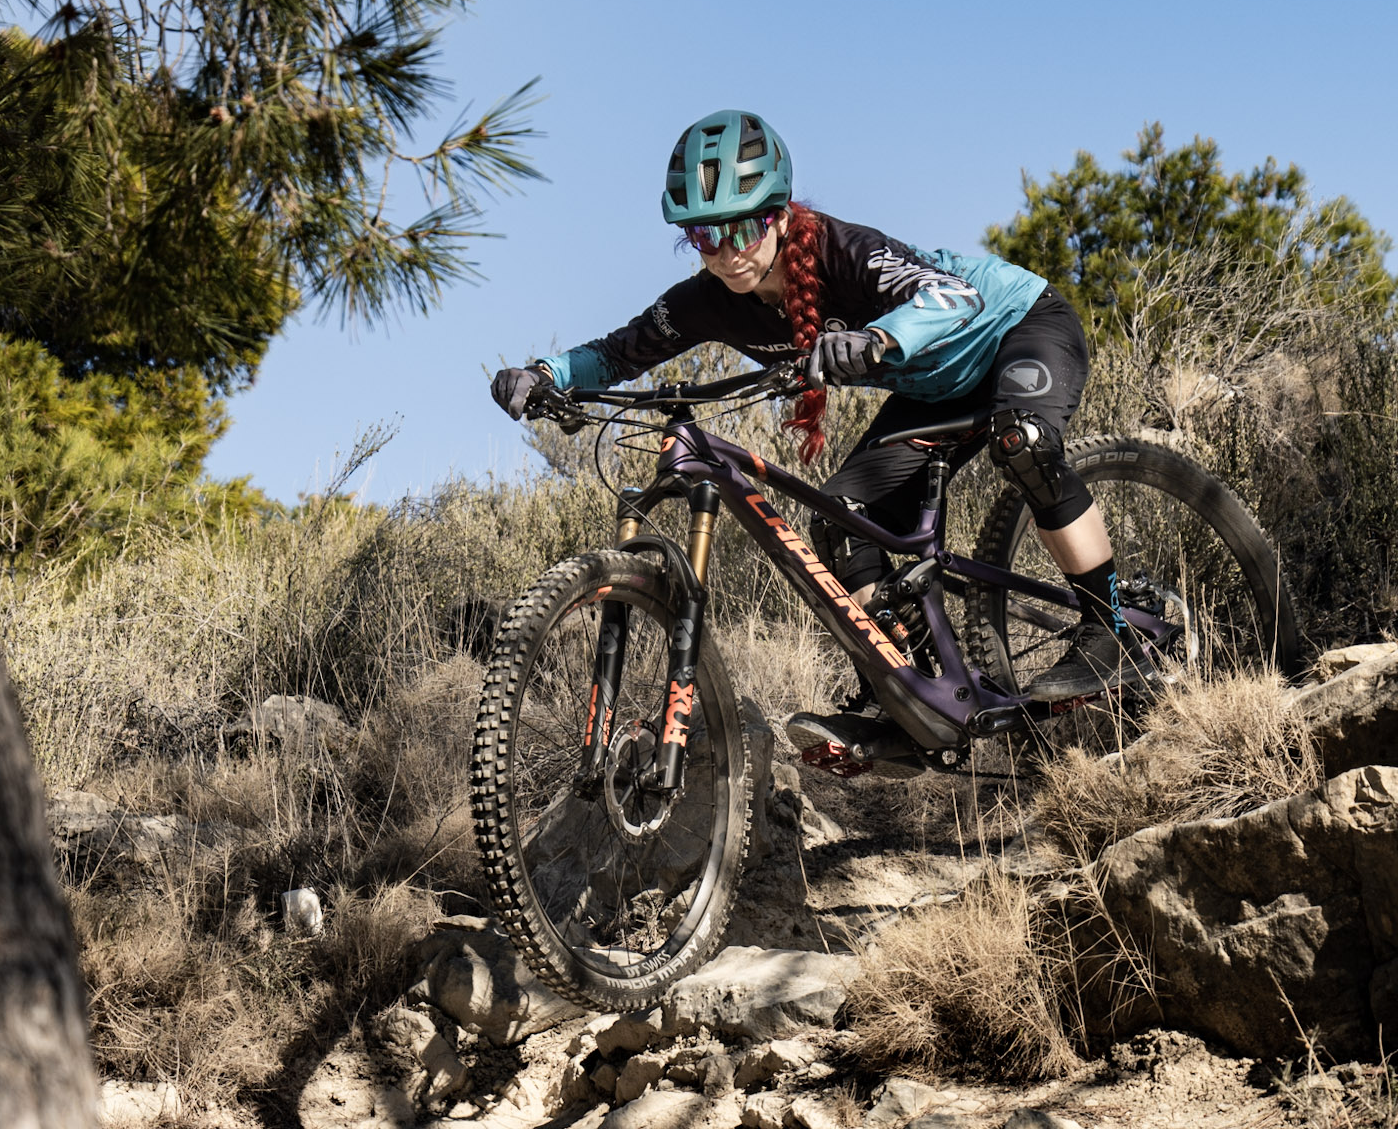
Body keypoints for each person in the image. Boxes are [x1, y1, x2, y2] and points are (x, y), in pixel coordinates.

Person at [491, 107, 1157, 718]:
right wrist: (547, 375)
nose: (725, 252)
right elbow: (619, 352)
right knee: (843, 520)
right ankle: (905, 694)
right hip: (937, 393)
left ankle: (1111, 632)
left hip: (1020, 328)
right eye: (702, 235)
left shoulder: (843, 250)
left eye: (741, 227)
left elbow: (955, 297)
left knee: (1025, 441)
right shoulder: (711, 298)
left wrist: (877, 339)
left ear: (779, 214)